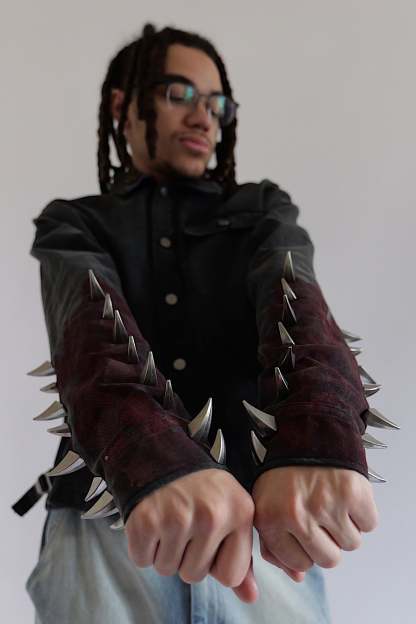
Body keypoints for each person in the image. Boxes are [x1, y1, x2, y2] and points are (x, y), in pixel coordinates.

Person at [15, 22, 392, 624]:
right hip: (107, 531)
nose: (203, 118)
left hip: (264, 526)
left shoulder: (261, 211)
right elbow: (88, 338)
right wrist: (150, 459)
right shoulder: (74, 223)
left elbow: (298, 304)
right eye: (179, 94)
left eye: (217, 104)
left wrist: (319, 433)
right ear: (123, 106)